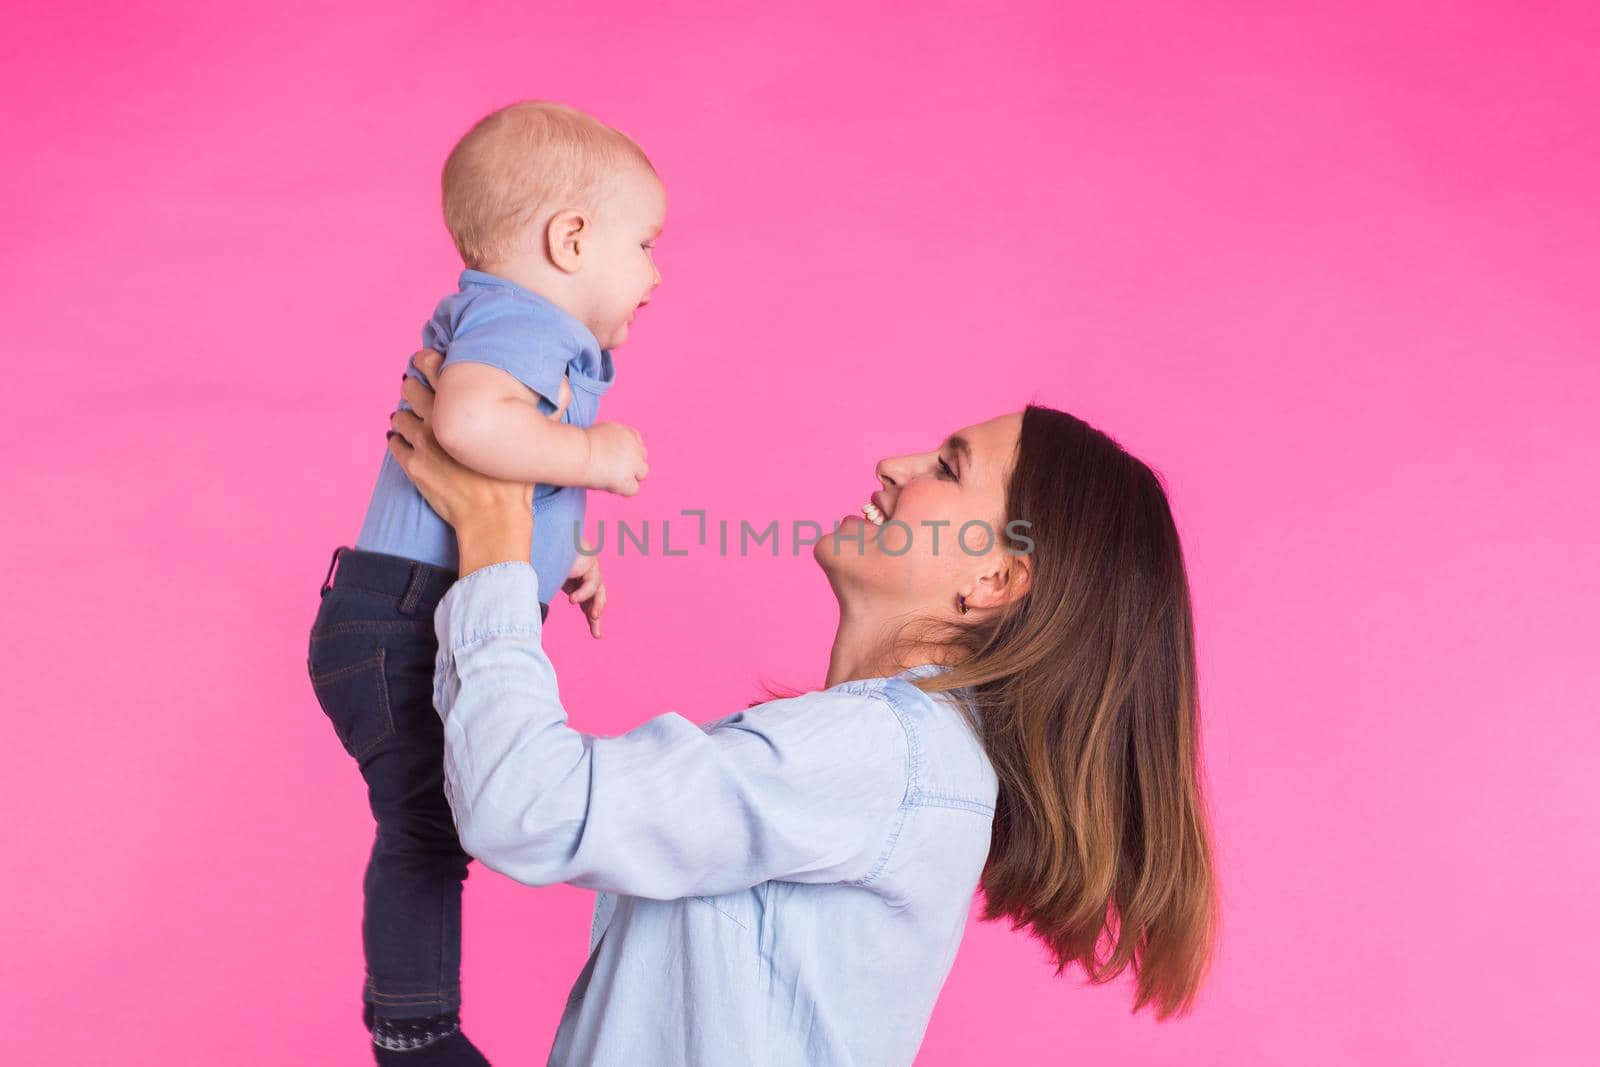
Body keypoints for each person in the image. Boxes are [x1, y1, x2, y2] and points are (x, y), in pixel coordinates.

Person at [384, 350, 1220, 1066]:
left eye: (949, 468)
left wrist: (495, 539)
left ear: (992, 580)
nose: (896, 464)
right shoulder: (893, 756)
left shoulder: (885, 753)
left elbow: (526, 806)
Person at [308, 102, 662, 1065]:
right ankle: (414, 1028)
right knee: (426, 822)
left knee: (437, 819)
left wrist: (561, 554)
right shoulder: (519, 314)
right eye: (645, 243)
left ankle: (413, 1015)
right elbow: (467, 427)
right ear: (571, 237)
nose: (656, 272)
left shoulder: (517, 324)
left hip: (402, 607)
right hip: (402, 618)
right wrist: (589, 454)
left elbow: (497, 460)